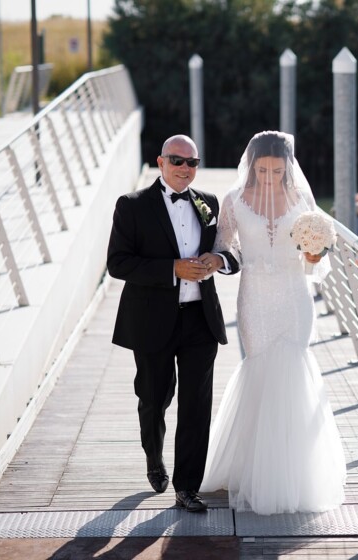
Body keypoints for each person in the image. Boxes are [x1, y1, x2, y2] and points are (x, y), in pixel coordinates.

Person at [200, 131, 346, 514]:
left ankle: (294, 475)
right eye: (262, 169)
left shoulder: (301, 200)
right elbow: (223, 245)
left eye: (276, 170)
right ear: (252, 165)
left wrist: (314, 254)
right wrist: (216, 261)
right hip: (255, 298)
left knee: (294, 371)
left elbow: (314, 259)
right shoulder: (234, 201)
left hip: (295, 296)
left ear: (287, 168)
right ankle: (251, 470)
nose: (269, 176)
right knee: (260, 368)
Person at [107, 135, 240, 513]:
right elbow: (118, 263)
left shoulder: (209, 203)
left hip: (201, 319)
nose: (185, 168)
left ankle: (187, 488)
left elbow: (229, 250)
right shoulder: (132, 206)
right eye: (177, 160)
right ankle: (153, 456)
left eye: (192, 162)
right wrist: (171, 269)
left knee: (197, 405)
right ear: (160, 162)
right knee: (154, 398)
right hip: (151, 320)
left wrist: (218, 261)